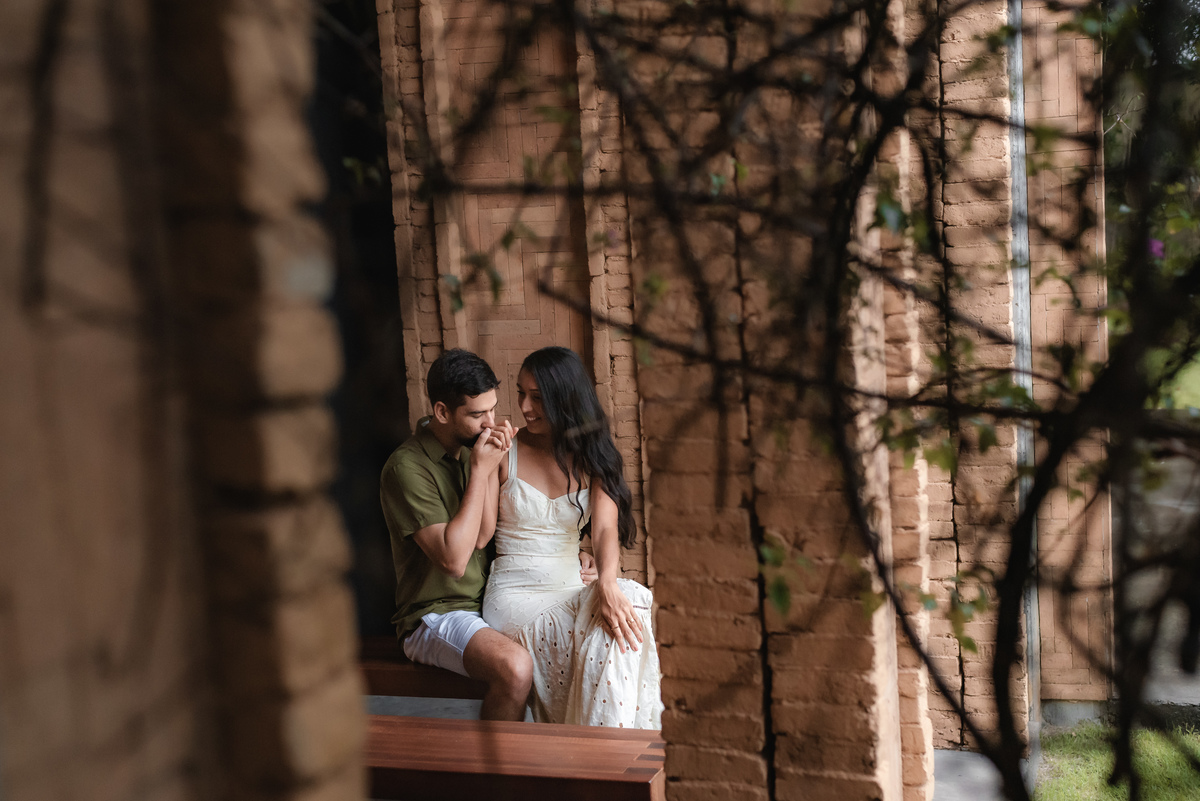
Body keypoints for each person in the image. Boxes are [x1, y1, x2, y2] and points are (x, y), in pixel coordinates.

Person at [482, 346, 663, 729]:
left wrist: (609, 583)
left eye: (537, 397)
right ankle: (608, 755)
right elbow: (481, 535)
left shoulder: (593, 457)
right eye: (521, 393)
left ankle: (604, 748)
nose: (525, 407)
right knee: (615, 631)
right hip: (515, 596)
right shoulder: (505, 450)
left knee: (627, 604)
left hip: (568, 589)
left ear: (565, 399)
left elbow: (605, 529)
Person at [379, 349, 529, 720]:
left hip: (483, 603)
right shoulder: (405, 468)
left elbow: (482, 536)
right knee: (516, 668)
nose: (490, 423)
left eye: (493, 410)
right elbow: (455, 561)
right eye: (478, 415)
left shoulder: (468, 449)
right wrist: (481, 472)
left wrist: (490, 467)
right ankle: (497, 777)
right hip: (434, 614)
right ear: (443, 412)